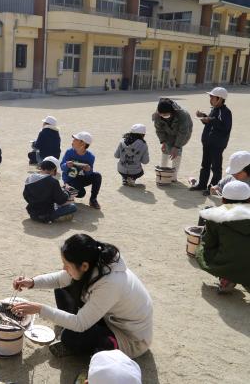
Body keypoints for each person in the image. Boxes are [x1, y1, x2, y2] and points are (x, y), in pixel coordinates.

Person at [11, 234, 153, 359]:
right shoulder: (94, 261)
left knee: (70, 337)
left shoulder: (111, 283)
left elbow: (80, 324)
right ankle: (72, 328)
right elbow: (61, 279)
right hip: (108, 316)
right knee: (62, 289)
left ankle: (105, 344)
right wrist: (32, 282)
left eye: (67, 265)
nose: (63, 269)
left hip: (130, 337)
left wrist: (39, 309)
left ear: (84, 266)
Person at [196, 180, 250, 294]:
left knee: (202, 248)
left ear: (223, 200)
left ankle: (227, 278)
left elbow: (209, 244)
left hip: (228, 265)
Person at [190, 87, 233, 195]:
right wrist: (204, 117)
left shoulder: (226, 112)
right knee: (205, 165)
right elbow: (210, 122)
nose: (210, 98)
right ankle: (202, 184)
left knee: (216, 167)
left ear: (219, 99)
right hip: (208, 142)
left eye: (212, 97)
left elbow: (225, 127)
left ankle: (212, 188)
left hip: (217, 145)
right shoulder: (214, 109)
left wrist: (210, 120)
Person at [23, 156, 77, 223]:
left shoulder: (30, 178)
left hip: (32, 212)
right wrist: (67, 192)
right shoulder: (53, 181)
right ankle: (52, 218)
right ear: (54, 169)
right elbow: (61, 201)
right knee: (73, 207)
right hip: (47, 213)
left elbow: (25, 196)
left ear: (41, 167)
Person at [152, 98, 193, 182]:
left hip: (183, 132)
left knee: (176, 152)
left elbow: (183, 132)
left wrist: (177, 147)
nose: (164, 116)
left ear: (172, 111)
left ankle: (174, 176)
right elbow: (159, 130)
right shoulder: (157, 115)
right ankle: (163, 171)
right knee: (166, 149)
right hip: (168, 132)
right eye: (162, 115)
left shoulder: (182, 115)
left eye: (166, 114)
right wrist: (163, 142)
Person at [61, 132, 102, 210]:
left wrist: (88, 170)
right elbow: (62, 167)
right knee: (81, 193)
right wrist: (66, 165)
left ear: (82, 143)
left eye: (75, 139)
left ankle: (93, 200)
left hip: (81, 178)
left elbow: (89, 173)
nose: (73, 141)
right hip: (70, 179)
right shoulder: (69, 152)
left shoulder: (90, 156)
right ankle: (66, 190)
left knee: (97, 175)